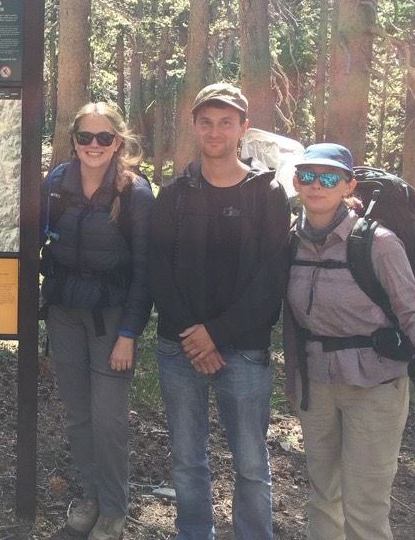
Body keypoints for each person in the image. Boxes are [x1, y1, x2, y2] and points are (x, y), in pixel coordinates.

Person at [282, 143, 415, 540]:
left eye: (328, 177)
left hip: (375, 385)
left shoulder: (377, 243)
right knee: (323, 495)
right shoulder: (289, 240)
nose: (316, 185)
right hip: (317, 385)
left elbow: (414, 310)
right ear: (296, 182)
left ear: (349, 185)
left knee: (365, 504)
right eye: (308, 176)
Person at [148, 83, 290, 540]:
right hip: (179, 348)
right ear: (194, 127)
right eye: (206, 122)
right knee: (187, 459)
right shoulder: (173, 195)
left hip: (245, 351)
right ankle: (194, 532)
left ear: (243, 128)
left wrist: (217, 334)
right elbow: (158, 270)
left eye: (225, 122)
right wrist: (195, 335)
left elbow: (271, 278)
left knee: (250, 462)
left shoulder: (266, 193)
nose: (215, 131)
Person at [41, 102, 154, 540]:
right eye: (85, 137)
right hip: (64, 313)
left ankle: (114, 508)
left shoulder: (135, 193)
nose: (93, 145)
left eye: (103, 138)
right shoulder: (54, 184)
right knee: (77, 414)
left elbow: (145, 271)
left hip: (111, 319)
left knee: (109, 419)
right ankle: (90, 497)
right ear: (73, 141)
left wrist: (129, 334)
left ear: (118, 142)